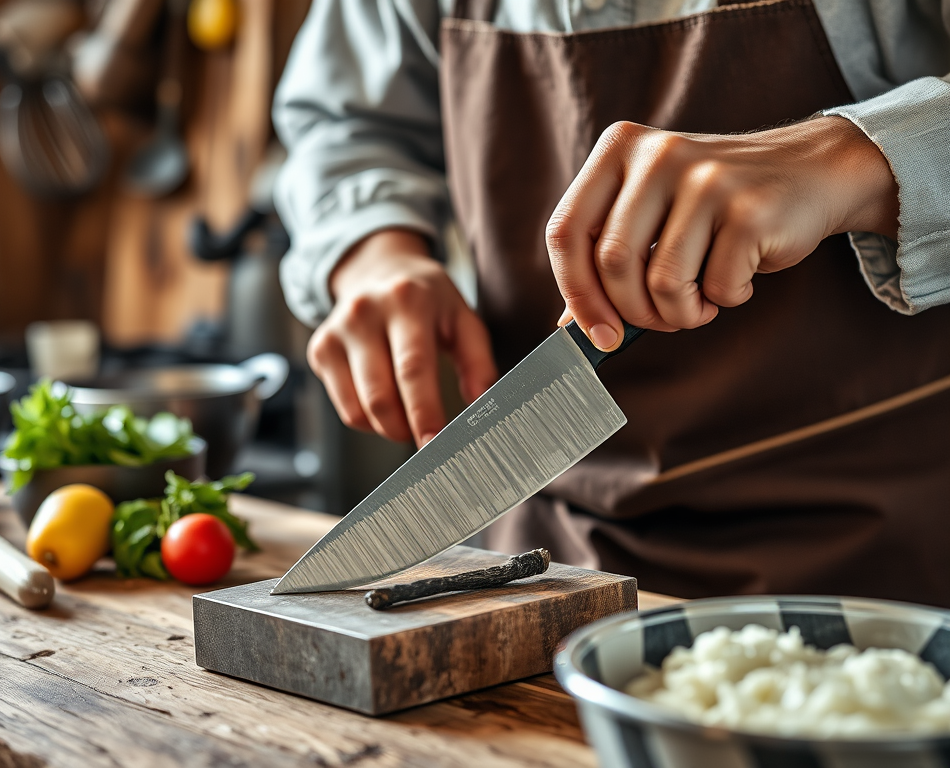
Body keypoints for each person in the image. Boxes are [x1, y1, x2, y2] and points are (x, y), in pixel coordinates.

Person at [273, 0, 950, 605]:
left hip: (883, 566)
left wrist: (845, 159)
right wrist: (373, 249)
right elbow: (347, 122)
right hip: (543, 568)